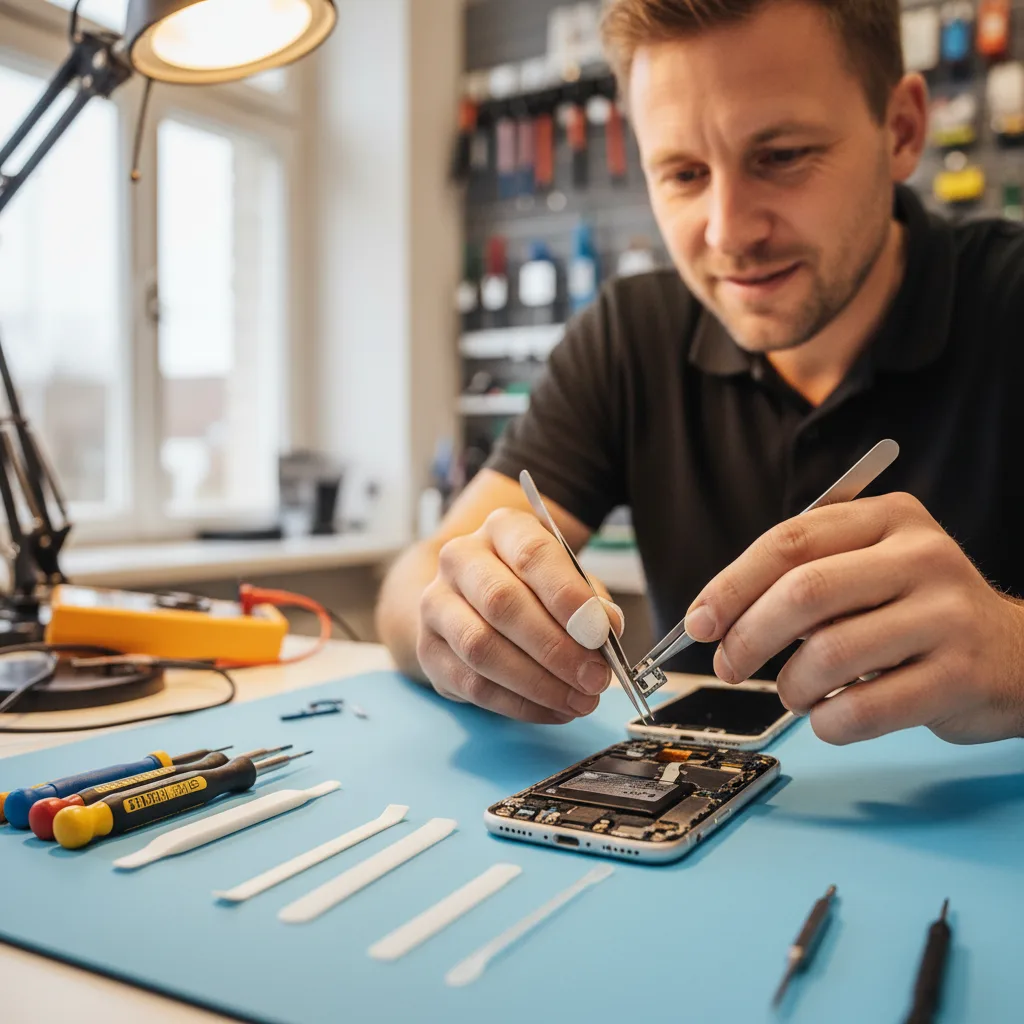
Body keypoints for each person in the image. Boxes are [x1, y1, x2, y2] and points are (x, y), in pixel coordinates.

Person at [376, 0, 1024, 747]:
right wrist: (462, 617)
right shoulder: (631, 332)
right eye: (683, 173)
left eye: (781, 156)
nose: (729, 232)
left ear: (902, 128)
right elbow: (418, 580)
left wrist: (1010, 653)